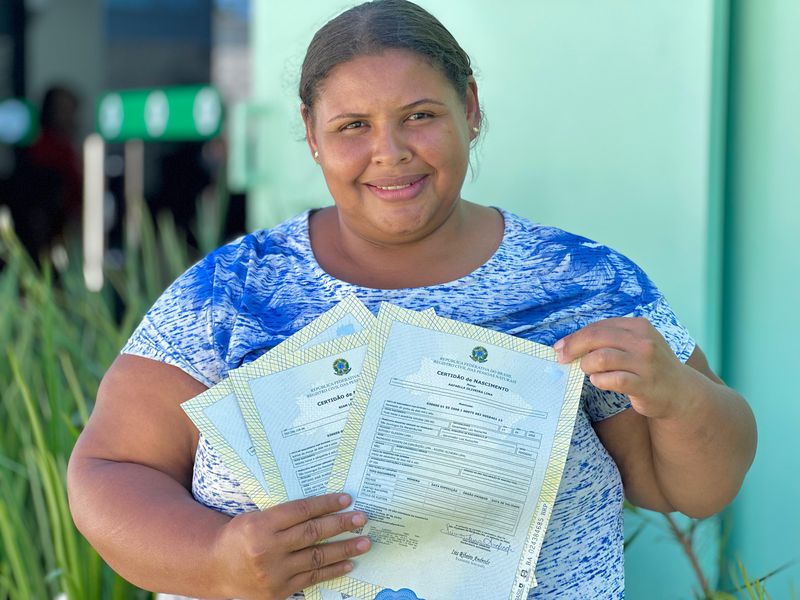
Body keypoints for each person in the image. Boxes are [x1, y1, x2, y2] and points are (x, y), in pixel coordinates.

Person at [67, 1, 757, 598]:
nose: (390, 151)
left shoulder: (579, 281)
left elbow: (692, 488)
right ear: (311, 132)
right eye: (352, 126)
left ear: (471, 109)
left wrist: (677, 395)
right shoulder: (233, 292)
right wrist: (217, 559)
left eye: (420, 115)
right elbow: (109, 470)